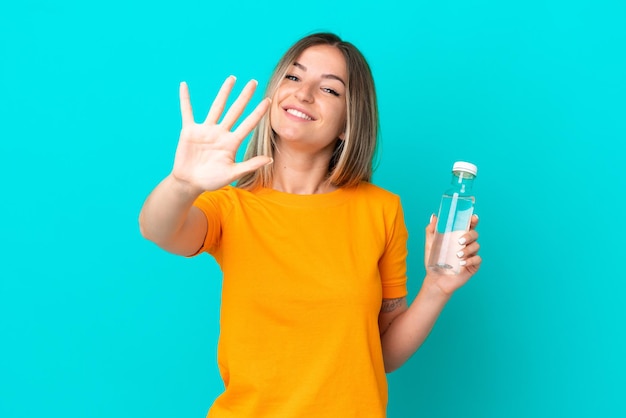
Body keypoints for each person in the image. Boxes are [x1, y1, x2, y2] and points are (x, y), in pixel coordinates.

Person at [139, 32, 481, 418]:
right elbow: (157, 229)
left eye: (330, 90)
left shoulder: (381, 210)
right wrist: (182, 184)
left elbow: (380, 353)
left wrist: (436, 289)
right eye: (293, 77)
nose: (303, 94)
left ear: (349, 124)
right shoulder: (231, 207)